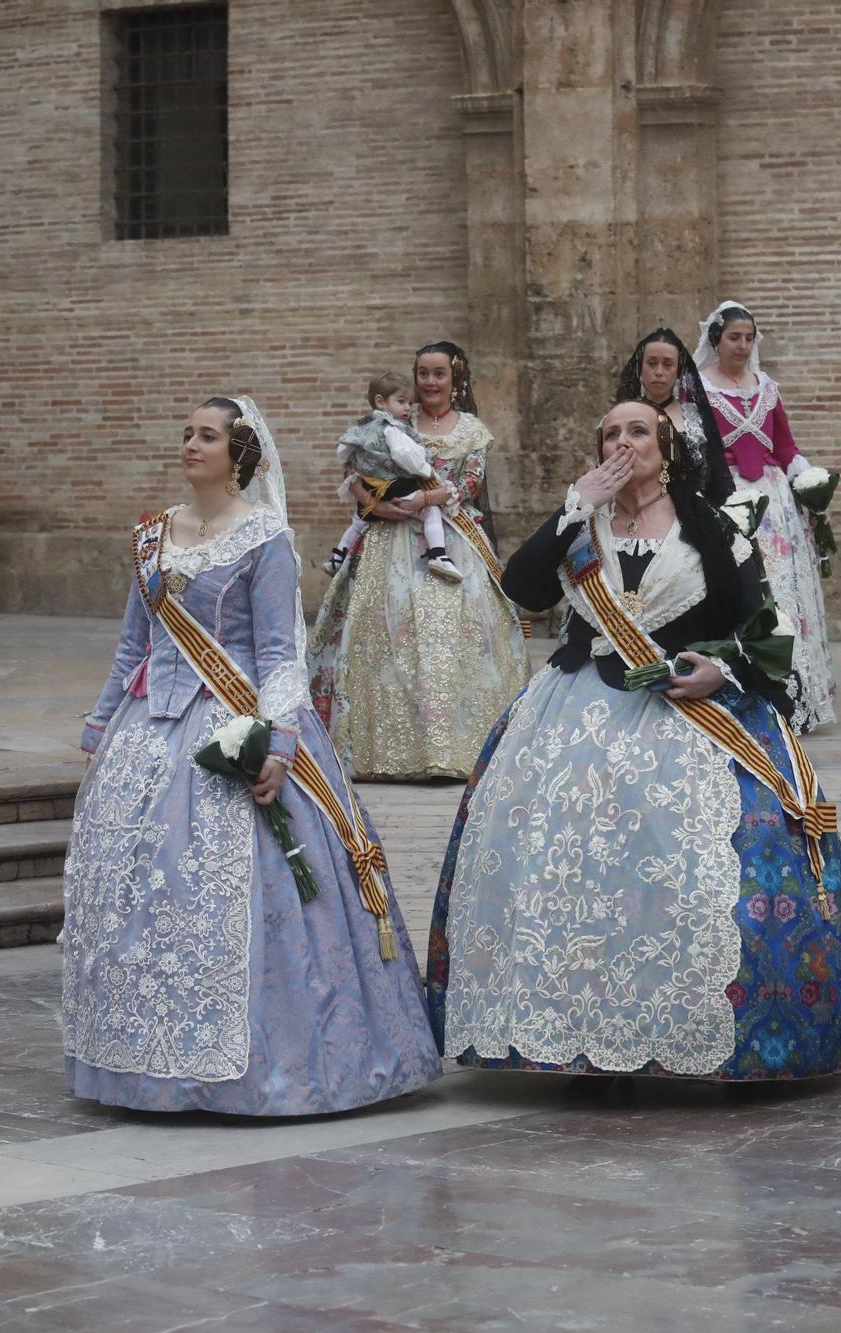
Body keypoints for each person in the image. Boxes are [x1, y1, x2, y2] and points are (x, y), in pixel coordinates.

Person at [427, 398, 841, 1081]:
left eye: (639, 430)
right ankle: (569, 1029)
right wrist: (576, 502)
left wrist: (720, 669)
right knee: (567, 875)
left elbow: (765, 623)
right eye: (611, 432)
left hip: (687, 716)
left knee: (684, 877)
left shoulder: (710, 523)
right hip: (573, 717)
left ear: (667, 446)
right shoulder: (584, 522)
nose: (625, 441)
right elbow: (520, 586)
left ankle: (690, 1026)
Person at [63, 395, 440, 1115]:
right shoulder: (152, 537)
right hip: (148, 736)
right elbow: (132, 647)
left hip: (233, 729)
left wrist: (282, 741)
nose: (191, 444)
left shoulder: (263, 537)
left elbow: (277, 654)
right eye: (187, 433)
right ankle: (144, 1055)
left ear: (238, 453)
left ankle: (265, 1062)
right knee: (141, 894)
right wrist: (99, 731)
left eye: (207, 435)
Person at [307, 340, 530, 780]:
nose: (429, 382)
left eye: (439, 373)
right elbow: (353, 470)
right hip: (386, 535)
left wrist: (427, 498)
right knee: (385, 633)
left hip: (449, 533)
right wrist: (375, 504)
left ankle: (461, 749)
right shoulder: (388, 420)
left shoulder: (471, 429)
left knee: (458, 632)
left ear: (455, 378)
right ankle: (381, 751)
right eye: (422, 373)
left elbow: (470, 481)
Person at [695, 301, 837, 732]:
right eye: (733, 337)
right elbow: (699, 450)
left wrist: (809, 480)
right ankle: (746, 691)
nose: (741, 345)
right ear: (716, 340)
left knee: (786, 593)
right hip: (730, 497)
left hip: (775, 504)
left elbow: (786, 447)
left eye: (748, 338)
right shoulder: (699, 389)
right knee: (751, 590)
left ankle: (795, 693)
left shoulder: (767, 388)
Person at [325, 373, 459, 583]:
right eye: (402, 402)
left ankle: (338, 556)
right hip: (397, 488)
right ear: (380, 401)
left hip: (371, 486)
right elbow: (404, 455)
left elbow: (343, 451)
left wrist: (362, 465)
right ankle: (438, 555)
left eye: (409, 403)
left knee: (358, 521)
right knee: (431, 512)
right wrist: (426, 470)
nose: (407, 408)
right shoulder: (393, 428)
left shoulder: (361, 426)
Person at [617, 327, 734, 503]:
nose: (659, 371)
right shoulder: (622, 415)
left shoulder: (694, 417)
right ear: (640, 368)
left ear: (678, 370)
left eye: (667, 364)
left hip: (690, 514)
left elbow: (712, 475)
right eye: (651, 363)